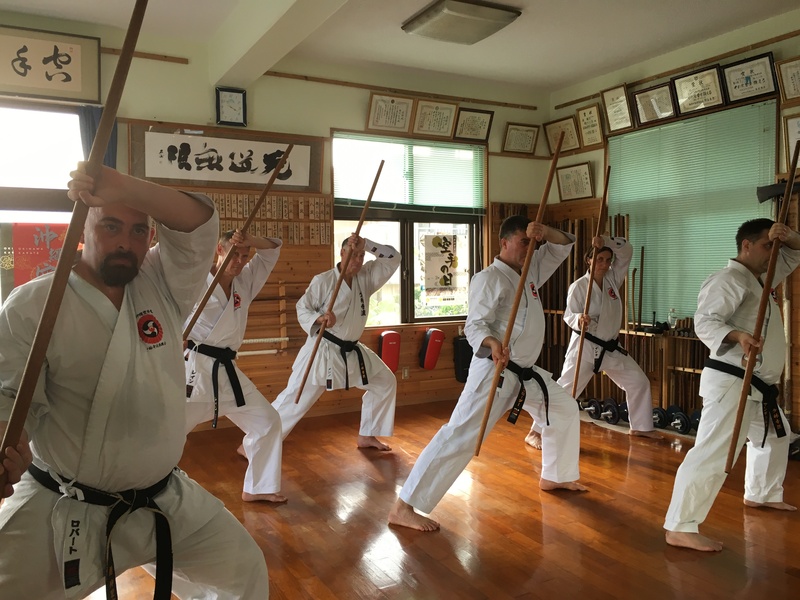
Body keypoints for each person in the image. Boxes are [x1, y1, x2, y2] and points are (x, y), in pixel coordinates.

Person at [0, 164, 268, 599]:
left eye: (139, 230)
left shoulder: (161, 284)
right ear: (82, 228)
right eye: (110, 225)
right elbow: (11, 400)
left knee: (245, 573)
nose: (126, 241)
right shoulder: (33, 305)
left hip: (163, 497)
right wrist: (7, 447)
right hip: (66, 502)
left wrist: (118, 185)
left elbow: (200, 225)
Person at [389, 215, 586, 532]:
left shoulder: (530, 269)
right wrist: (492, 342)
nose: (529, 247)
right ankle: (404, 505)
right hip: (495, 370)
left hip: (524, 372)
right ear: (504, 242)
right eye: (524, 241)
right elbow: (474, 325)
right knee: (460, 435)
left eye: (532, 242)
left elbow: (564, 244)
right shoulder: (488, 278)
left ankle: (557, 476)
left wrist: (545, 232)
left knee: (562, 407)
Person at [664, 218, 800, 552]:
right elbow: (705, 321)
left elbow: (795, 254)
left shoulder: (760, 278)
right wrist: (737, 335)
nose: (774, 254)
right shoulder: (729, 279)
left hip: (757, 387)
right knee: (713, 453)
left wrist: (791, 236)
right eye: (768, 246)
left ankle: (762, 494)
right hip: (732, 384)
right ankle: (680, 525)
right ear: (747, 245)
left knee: (775, 438)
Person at [525, 235, 661, 450]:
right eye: (600, 259)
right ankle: (535, 431)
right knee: (565, 391)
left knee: (639, 382)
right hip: (585, 347)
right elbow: (569, 315)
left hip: (610, 348)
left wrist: (604, 240)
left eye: (608, 260)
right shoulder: (579, 287)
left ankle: (641, 427)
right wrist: (579, 319)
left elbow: (627, 251)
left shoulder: (613, 279)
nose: (605, 264)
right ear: (589, 260)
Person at [184, 229, 287, 503]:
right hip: (197, 372)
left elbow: (271, 250)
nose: (239, 261)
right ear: (219, 250)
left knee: (268, 421)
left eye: (244, 256)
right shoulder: (194, 283)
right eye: (234, 254)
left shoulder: (246, 282)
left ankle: (259, 487)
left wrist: (251, 240)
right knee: (167, 432)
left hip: (229, 372)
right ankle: (143, 482)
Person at [271, 233, 401, 450]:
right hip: (322, 349)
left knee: (385, 381)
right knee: (295, 399)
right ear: (342, 253)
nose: (358, 260)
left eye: (361, 255)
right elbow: (302, 308)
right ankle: (255, 443)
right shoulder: (324, 281)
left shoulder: (366, 277)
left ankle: (368, 434)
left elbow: (393, 258)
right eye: (353, 255)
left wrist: (367, 244)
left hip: (351, 349)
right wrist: (319, 318)